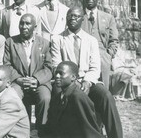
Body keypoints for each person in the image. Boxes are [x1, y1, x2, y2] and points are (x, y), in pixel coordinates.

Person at [51, 7, 123, 138]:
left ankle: (116, 135)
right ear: (66, 18)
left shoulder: (91, 40)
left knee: (106, 96)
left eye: (76, 16)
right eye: (69, 16)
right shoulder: (57, 39)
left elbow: (95, 67)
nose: (72, 18)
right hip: (67, 81)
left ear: (82, 20)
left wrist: (87, 81)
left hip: (89, 80)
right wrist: (73, 82)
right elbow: (57, 65)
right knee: (66, 95)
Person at [4, 13, 52, 136]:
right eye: (21, 23)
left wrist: (36, 80)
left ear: (35, 27)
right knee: (13, 96)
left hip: (39, 82)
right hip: (18, 82)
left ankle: (42, 131)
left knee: (45, 97)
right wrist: (19, 79)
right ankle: (18, 132)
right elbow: (7, 65)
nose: (24, 26)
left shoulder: (45, 43)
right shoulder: (10, 42)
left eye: (27, 23)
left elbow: (49, 67)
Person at [45, 61, 103, 138]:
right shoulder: (58, 97)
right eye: (56, 73)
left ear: (73, 77)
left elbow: (89, 128)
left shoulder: (78, 97)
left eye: (61, 73)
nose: (57, 76)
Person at [81, 0, 119, 89]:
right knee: (84, 87)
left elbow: (114, 40)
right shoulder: (79, 16)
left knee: (103, 90)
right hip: (83, 56)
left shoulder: (108, 18)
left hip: (102, 57)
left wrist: (108, 55)